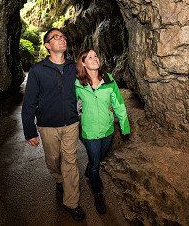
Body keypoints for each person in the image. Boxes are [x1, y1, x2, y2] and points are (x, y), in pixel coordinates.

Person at [21, 28, 85, 221]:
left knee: (70, 162)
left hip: (71, 124)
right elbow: (29, 102)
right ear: (48, 45)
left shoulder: (73, 67)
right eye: (56, 37)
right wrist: (29, 131)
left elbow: (91, 78)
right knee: (53, 160)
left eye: (63, 36)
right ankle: (58, 178)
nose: (62, 39)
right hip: (48, 126)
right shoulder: (37, 70)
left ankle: (71, 202)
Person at [75, 48, 131, 214]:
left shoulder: (109, 80)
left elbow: (119, 104)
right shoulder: (77, 84)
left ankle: (89, 170)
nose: (95, 58)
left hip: (107, 130)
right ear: (83, 63)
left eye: (96, 56)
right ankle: (98, 193)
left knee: (100, 157)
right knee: (95, 164)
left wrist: (124, 125)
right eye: (90, 57)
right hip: (89, 132)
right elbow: (69, 104)